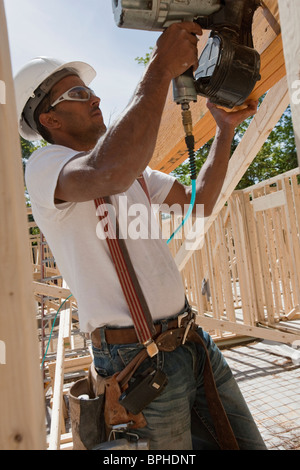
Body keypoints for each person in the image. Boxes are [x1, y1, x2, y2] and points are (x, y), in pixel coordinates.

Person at [15, 22, 266, 450]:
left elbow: (199, 204)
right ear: (49, 119)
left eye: (91, 91)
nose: (94, 98)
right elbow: (107, 170)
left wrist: (223, 131)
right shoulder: (45, 167)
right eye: (77, 94)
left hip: (190, 341)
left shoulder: (132, 172)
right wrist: (160, 66)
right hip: (134, 361)